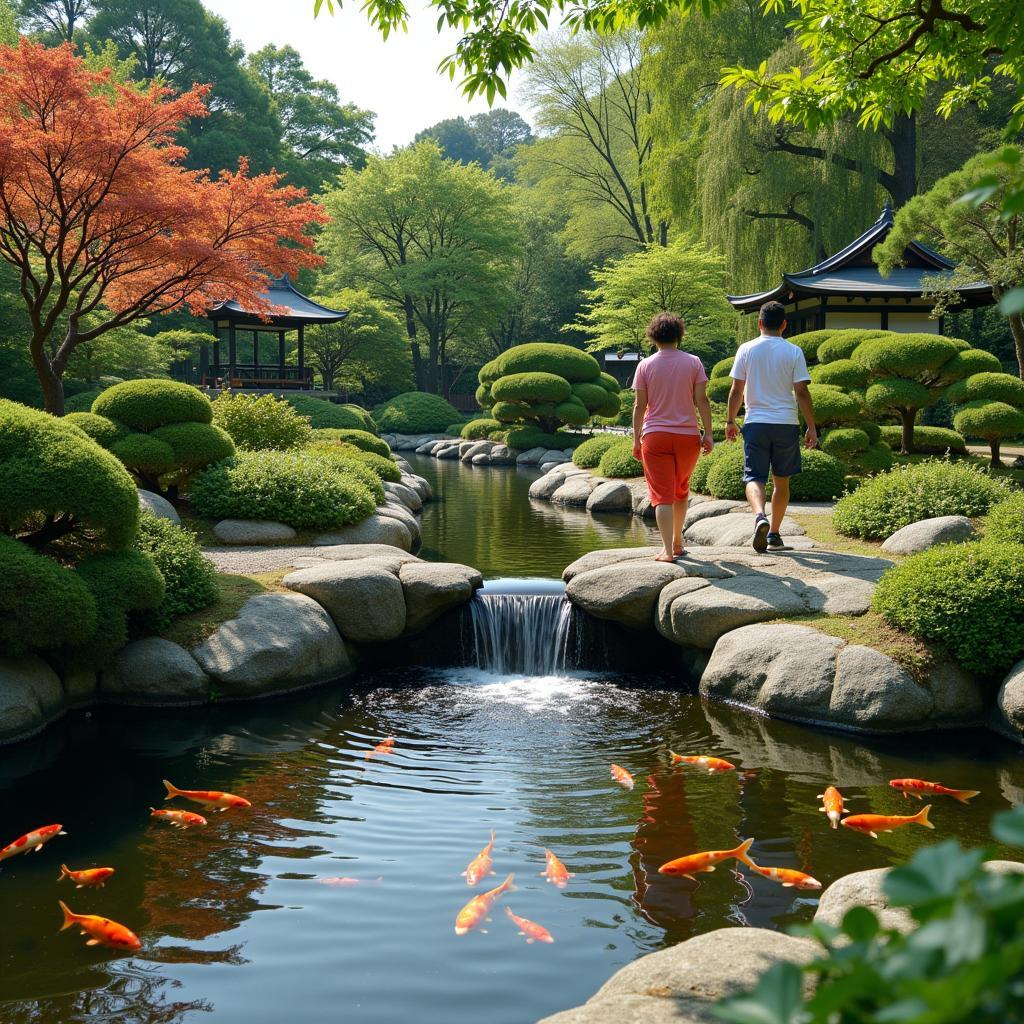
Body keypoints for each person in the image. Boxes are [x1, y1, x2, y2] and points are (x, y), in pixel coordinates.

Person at [725, 300, 817, 553]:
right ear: (784, 325)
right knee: (781, 481)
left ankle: (759, 517)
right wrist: (811, 427)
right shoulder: (794, 351)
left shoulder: (746, 349)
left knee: (754, 476)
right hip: (786, 423)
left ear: (759, 323)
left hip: (755, 422)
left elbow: (736, 390)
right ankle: (774, 535)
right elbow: (802, 392)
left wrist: (730, 420)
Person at [631, 312, 714, 563]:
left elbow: (638, 405)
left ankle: (667, 551)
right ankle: (678, 543)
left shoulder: (644, 365)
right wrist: (708, 433)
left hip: (655, 436)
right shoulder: (694, 362)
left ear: (653, 336)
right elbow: (702, 400)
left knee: (661, 496)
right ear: (679, 335)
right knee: (680, 491)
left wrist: (636, 439)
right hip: (688, 436)